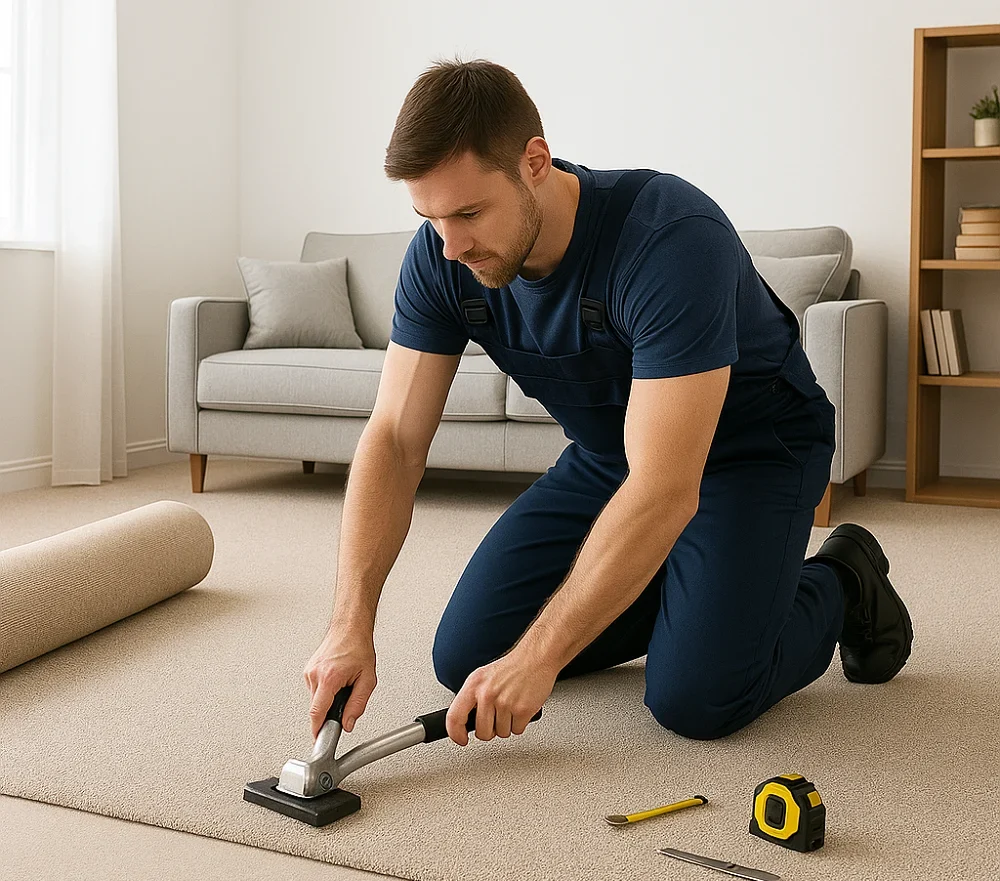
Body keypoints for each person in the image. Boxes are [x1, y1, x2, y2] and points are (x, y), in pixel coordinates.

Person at [303, 58, 913, 748]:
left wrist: (540, 658)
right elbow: (393, 440)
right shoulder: (442, 257)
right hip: (612, 458)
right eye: (430, 217)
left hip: (750, 454)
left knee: (697, 697)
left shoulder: (668, 238)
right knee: (467, 657)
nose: (452, 245)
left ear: (536, 160)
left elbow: (665, 487)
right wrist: (350, 623)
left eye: (470, 212)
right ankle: (694, 585)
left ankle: (841, 577)